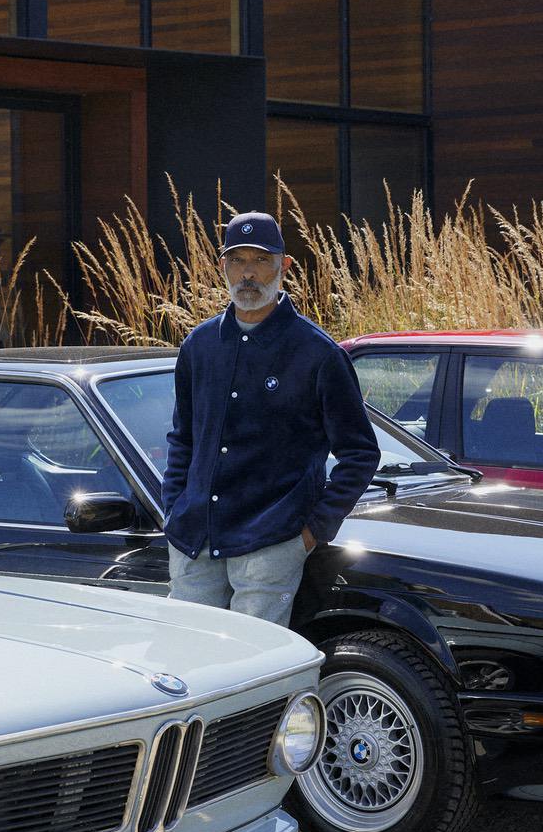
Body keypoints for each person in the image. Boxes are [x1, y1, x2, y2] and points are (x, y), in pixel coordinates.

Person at [161, 210, 380, 625]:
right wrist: (173, 509)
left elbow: (360, 453)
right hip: (194, 541)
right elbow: (183, 438)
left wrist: (311, 533)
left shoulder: (318, 353)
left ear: (285, 266)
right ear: (222, 266)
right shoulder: (199, 346)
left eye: (261, 260)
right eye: (238, 260)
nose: (248, 273)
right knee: (186, 654)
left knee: (256, 659)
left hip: (270, 543)